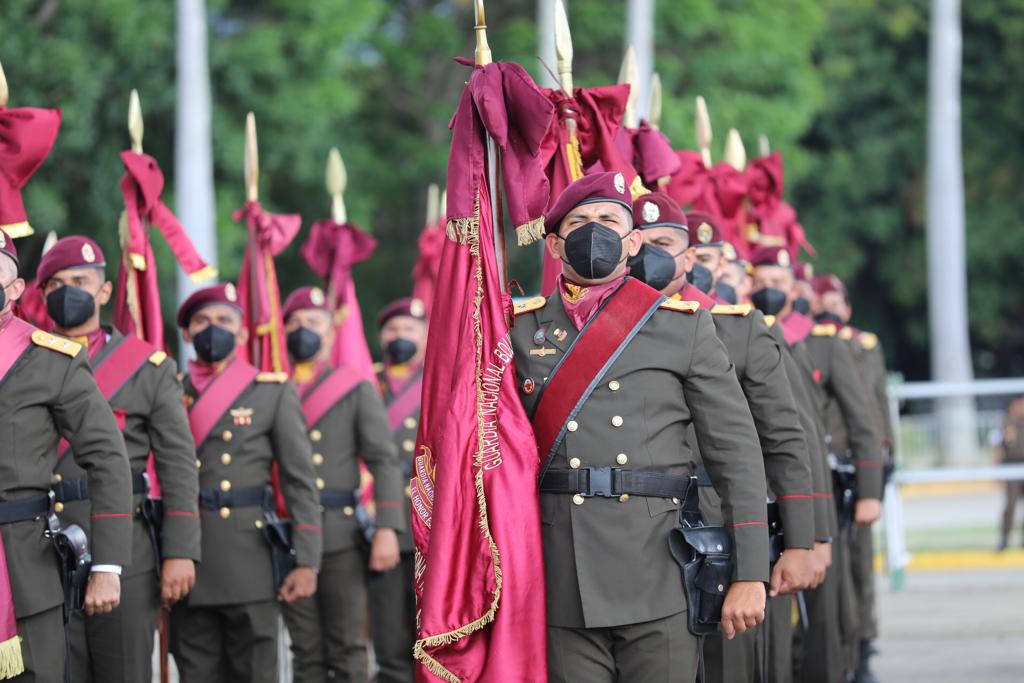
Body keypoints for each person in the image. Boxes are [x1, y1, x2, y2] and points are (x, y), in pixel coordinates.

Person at [511, 173, 768, 682]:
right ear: (555, 244)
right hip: (559, 572)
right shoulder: (517, 327)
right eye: (579, 222)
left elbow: (735, 453)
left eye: (609, 220)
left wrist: (751, 572)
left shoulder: (682, 326)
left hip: (658, 570)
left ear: (632, 243)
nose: (595, 231)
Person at [632, 194, 822, 682]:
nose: (649, 255)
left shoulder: (736, 329)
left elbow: (783, 438)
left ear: (689, 257)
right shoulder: (606, 333)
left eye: (663, 244)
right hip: (641, 532)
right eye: (640, 242)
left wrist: (803, 540)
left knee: (727, 666)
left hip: (724, 524)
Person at [36, 236, 200, 682]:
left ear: (104, 291)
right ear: (41, 294)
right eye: (55, 285)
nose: (68, 292)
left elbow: (178, 464)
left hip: (125, 550)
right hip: (43, 549)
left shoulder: (148, 368)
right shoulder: (26, 361)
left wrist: (181, 551)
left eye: (80, 281)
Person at [169, 283, 323, 683]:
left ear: (241, 333)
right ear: (186, 333)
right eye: (202, 321)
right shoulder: (169, 389)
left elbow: (299, 479)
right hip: (187, 559)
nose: (212, 328)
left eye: (224, 320)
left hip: (250, 562)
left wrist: (307, 560)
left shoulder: (271, 391)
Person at [0, 229, 132, 681]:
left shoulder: (51, 359)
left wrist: (108, 565)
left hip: (25, 569)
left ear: (16, 288)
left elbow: (108, 458)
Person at [749, 246, 883, 683]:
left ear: (795, 290)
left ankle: (852, 660)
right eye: (760, 283)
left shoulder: (820, 342)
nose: (768, 291)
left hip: (819, 483)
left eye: (777, 284)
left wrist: (870, 491)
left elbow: (860, 420)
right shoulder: (747, 331)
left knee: (827, 604)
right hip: (767, 490)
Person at [279, 286, 404, 682]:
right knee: (304, 652)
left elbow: (383, 460)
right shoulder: (271, 387)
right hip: (286, 532)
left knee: (347, 647)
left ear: (331, 333)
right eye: (295, 322)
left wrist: (387, 527)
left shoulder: (353, 388)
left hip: (339, 534)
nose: (304, 330)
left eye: (314, 322)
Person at [813, 272, 891, 683]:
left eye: (835, 304)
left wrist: (882, 461)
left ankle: (863, 642)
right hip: (828, 465)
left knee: (860, 562)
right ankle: (846, 649)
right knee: (838, 568)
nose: (829, 311)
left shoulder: (864, 346)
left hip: (856, 465)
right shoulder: (812, 344)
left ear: (847, 308)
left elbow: (875, 406)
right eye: (822, 303)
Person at [369, 296, 428, 683]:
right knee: (388, 642)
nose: (400, 335)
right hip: (379, 522)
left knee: (430, 638)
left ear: (424, 336)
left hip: (427, 522)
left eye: (409, 329)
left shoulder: (438, 380)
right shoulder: (367, 382)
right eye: (393, 329)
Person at [998, 396, 1024, 550]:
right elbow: (997, 447)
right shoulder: (1006, 423)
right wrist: (997, 471)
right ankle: (1005, 538)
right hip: (1012, 467)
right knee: (1011, 505)